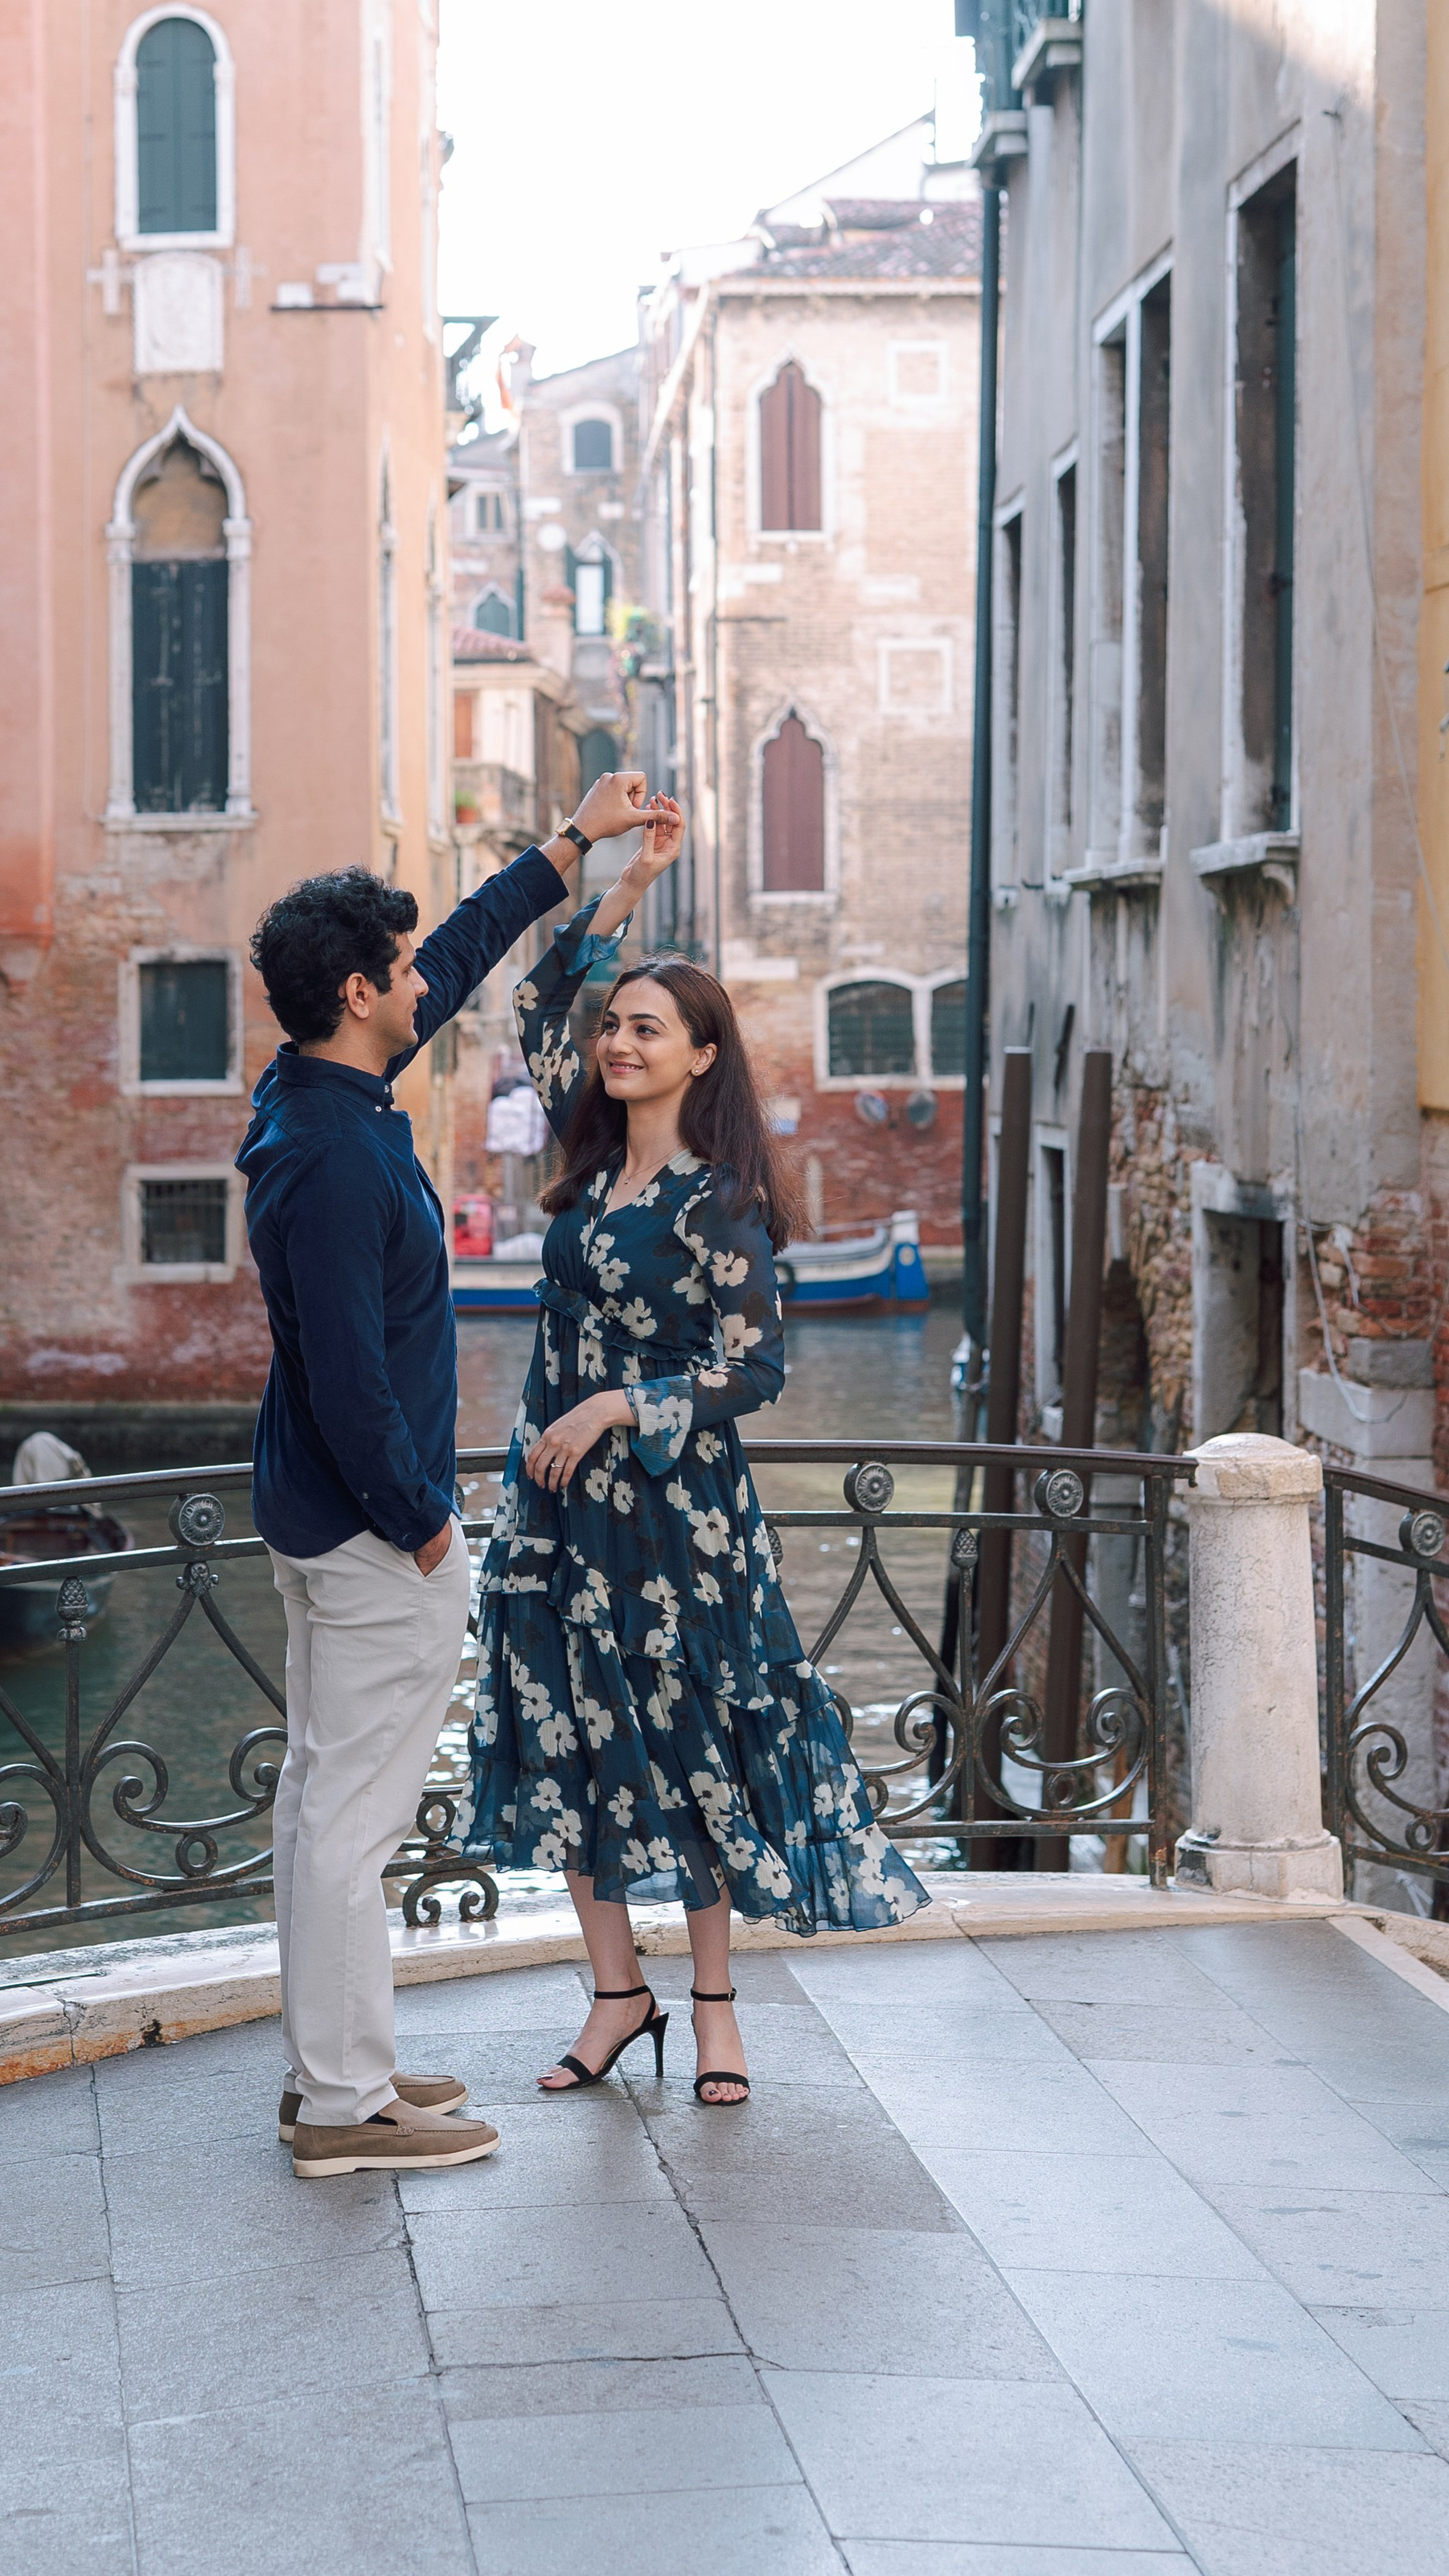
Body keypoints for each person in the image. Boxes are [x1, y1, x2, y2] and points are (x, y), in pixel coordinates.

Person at [459, 794, 927, 2106]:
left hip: (677, 1520)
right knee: (567, 1734)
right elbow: (540, 991)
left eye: (646, 1029)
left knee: (692, 1746)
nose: (615, 1041)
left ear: (703, 1058)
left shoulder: (720, 1206)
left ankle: (716, 2013)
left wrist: (622, 1408)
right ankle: (616, 1999)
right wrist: (624, 882)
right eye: (616, 1028)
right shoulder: (585, 1158)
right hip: (554, 1506)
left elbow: (753, 1370)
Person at [238, 770, 655, 2180]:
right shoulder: (337, 1159)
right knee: (350, 1828)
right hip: (369, 1535)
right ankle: (349, 2113)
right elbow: (352, 1380)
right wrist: (425, 1528)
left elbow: (467, 955)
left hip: (318, 1517)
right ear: (360, 992)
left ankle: (336, 2075)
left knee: (319, 1810)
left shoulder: (318, 1093)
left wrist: (573, 847)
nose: (424, 979)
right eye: (401, 967)